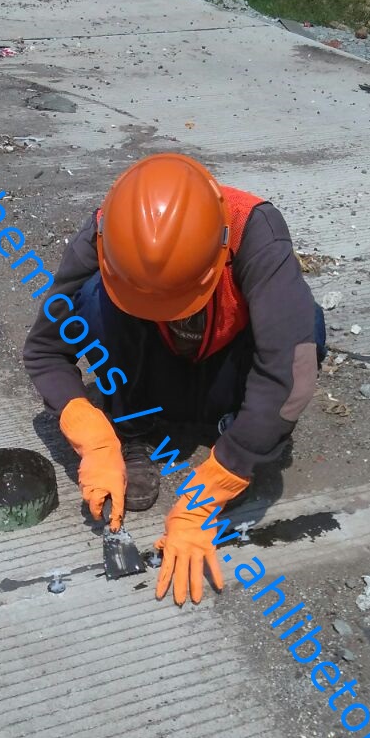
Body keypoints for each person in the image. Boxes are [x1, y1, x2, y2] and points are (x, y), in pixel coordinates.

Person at [23, 153, 326, 606]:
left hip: (225, 371)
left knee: (304, 329)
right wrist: (94, 439)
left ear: (220, 247)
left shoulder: (255, 230)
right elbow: (46, 349)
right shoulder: (107, 231)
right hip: (155, 371)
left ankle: (233, 430)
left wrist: (215, 486)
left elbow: (290, 376)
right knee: (92, 298)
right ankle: (133, 430)